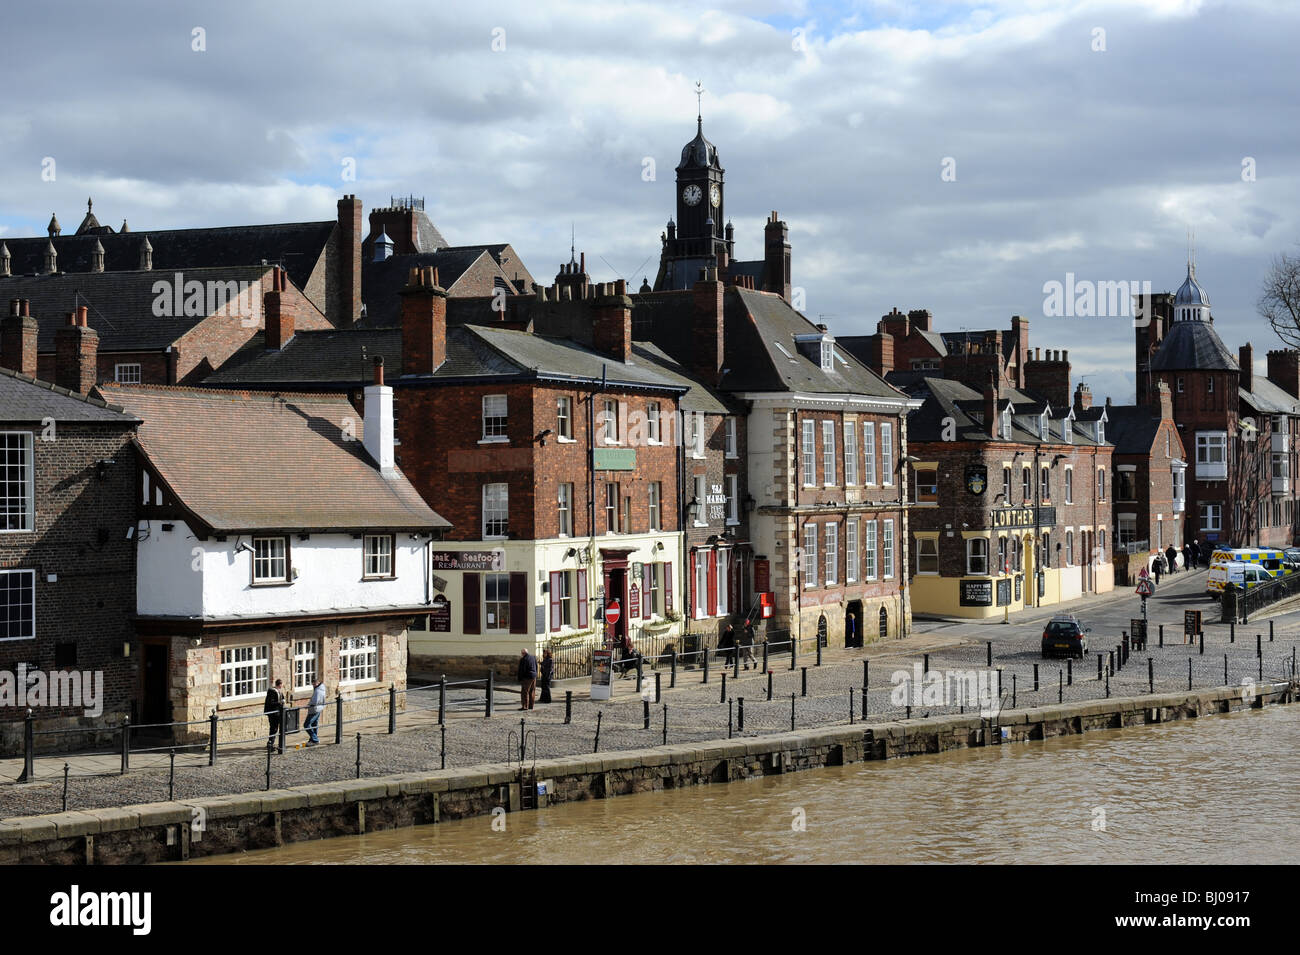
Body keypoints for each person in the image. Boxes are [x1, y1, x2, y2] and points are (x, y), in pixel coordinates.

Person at [263, 678, 284, 749]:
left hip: (277, 713)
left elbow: (281, 698)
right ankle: (270, 744)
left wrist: (282, 700)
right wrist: (279, 702)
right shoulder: (272, 692)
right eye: (281, 685)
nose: (281, 686)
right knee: (273, 728)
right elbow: (271, 703)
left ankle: (271, 743)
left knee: (275, 728)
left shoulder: (278, 691)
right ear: (279, 685)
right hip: (273, 713)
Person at [304, 677, 325, 746]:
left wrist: (308, 705)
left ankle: (315, 739)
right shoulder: (321, 688)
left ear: (317, 683)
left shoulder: (318, 691)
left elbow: (315, 701)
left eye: (314, 684)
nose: (313, 686)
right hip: (319, 708)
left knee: (306, 725)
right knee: (314, 724)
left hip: (314, 709)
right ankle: (313, 739)